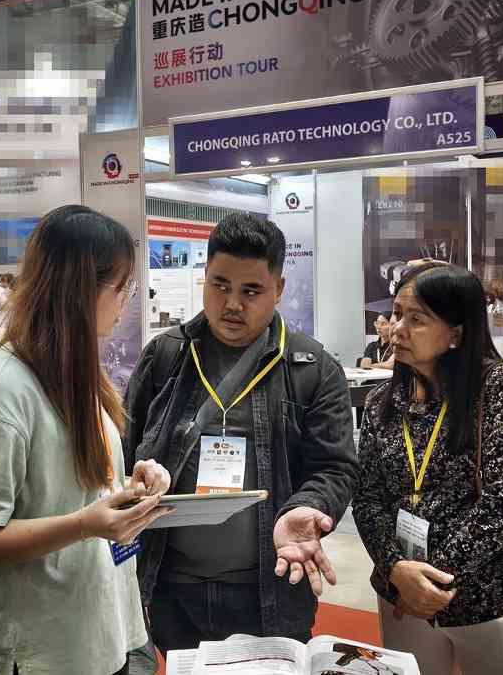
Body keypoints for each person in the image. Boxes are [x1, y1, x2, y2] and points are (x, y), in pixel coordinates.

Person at [0, 205, 173, 675]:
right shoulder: (0, 393)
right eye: (122, 287)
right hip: (40, 646)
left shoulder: (73, 374)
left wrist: (127, 487)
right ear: (82, 291)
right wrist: (84, 524)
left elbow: (70, 489)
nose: (126, 301)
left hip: (93, 623)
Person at [124, 212, 358, 654]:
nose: (232, 304)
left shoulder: (311, 369)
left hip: (269, 589)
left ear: (279, 289)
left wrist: (307, 506)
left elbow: (335, 467)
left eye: (251, 291)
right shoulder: (166, 356)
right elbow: (126, 450)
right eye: (220, 285)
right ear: (205, 278)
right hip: (171, 586)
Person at [353, 263, 503, 675]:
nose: (397, 329)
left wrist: (430, 579)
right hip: (401, 592)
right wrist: (396, 569)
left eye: (417, 319)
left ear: (456, 333)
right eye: (397, 313)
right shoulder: (381, 402)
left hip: (490, 595)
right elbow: (367, 498)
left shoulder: (497, 388)